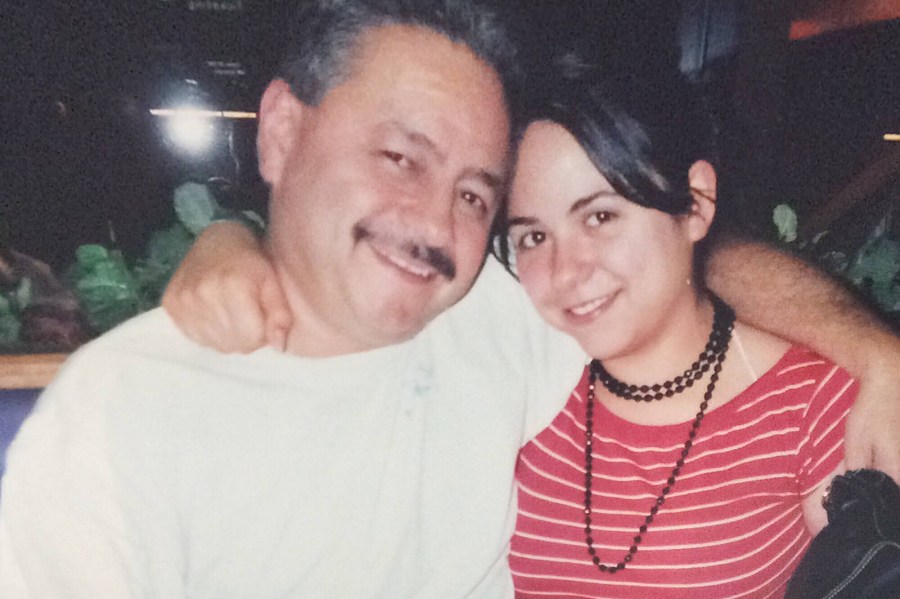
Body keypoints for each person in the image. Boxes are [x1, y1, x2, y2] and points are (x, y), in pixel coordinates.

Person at [0, 2, 587, 596]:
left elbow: (661, 273)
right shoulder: (123, 410)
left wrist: (227, 234)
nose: (436, 226)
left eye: (471, 197)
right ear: (281, 132)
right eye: (402, 160)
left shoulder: (502, 312)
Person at [503, 62, 856, 597]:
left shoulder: (811, 406)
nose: (564, 271)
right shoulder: (517, 391)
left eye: (599, 217)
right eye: (532, 237)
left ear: (695, 203)